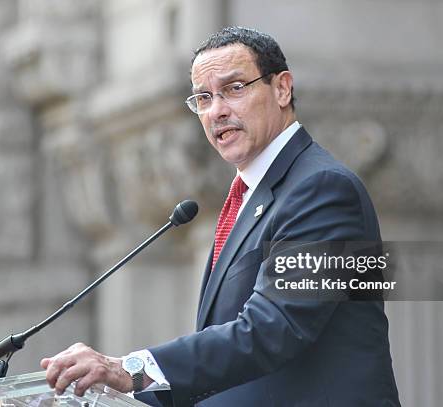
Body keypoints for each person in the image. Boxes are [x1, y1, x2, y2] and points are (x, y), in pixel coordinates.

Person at [41, 26, 400, 407]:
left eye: (235, 88)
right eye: (203, 97)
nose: (217, 111)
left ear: (282, 88)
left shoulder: (323, 189)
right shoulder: (249, 195)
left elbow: (272, 329)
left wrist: (130, 371)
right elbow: (228, 369)